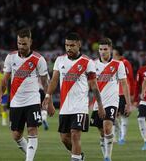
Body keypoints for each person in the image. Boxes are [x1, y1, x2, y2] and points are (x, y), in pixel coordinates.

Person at [42, 32, 105, 161]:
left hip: (80, 106)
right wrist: (48, 97)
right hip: (65, 107)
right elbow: (54, 80)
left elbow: (94, 86)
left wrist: (100, 105)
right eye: (66, 45)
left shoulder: (87, 62)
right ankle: (79, 156)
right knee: (64, 138)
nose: (69, 48)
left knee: (75, 135)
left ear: (79, 45)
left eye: (72, 45)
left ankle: (75, 158)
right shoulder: (60, 60)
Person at [0, 28, 49, 161]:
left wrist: (49, 100)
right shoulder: (11, 57)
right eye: (19, 43)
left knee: (32, 131)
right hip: (16, 101)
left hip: (33, 100)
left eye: (24, 44)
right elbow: (5, 79)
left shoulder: (38, 59)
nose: (21, 46)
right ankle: (30, 155)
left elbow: (45, 83)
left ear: (30, 42)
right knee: (16, 135)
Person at [90, 38, 131, 161]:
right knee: (102, 132)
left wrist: (128, 104)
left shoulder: (118, 64)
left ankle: (108, 157)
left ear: (110, 49)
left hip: (112, 101)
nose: (103, 52)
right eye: (101, 49)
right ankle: (105, 155)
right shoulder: (93, 64)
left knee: (107, 127)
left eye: (105, 49)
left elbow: (124, 84)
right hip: (98, 103)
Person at [112, 46, 135, 144]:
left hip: (123, 93)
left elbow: (130, 79)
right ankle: (115, 136)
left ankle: (122, 137)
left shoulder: (125, 63)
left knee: (123, 115)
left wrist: (132, 94)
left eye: (113, 54)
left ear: (117, 54)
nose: (111, 56)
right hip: (114, 93)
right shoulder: (112, 64)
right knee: (113, 116)